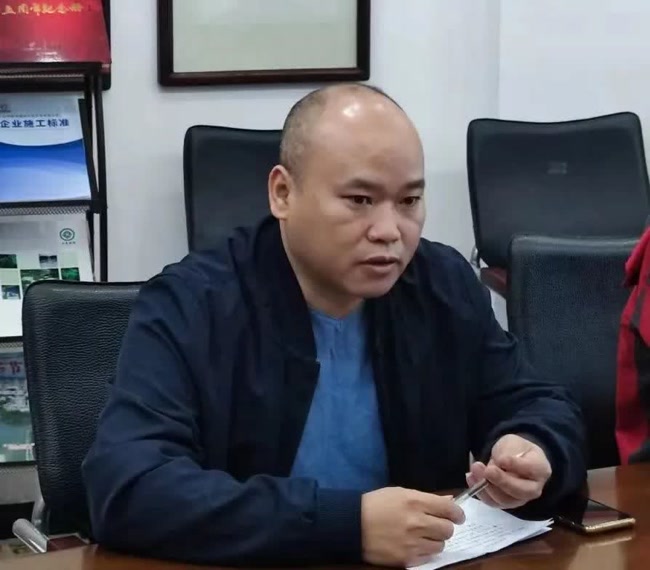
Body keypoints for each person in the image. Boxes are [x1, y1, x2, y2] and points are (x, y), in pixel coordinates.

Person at [82, 84, 586, 567]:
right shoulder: (192, 304)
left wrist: (534, 447)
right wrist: (348, 526)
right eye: (359, 200)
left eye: (409, 201)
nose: (389, 231)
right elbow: (129, 486)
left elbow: (537, 403)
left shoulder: (441, 284)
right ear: (283, 193)